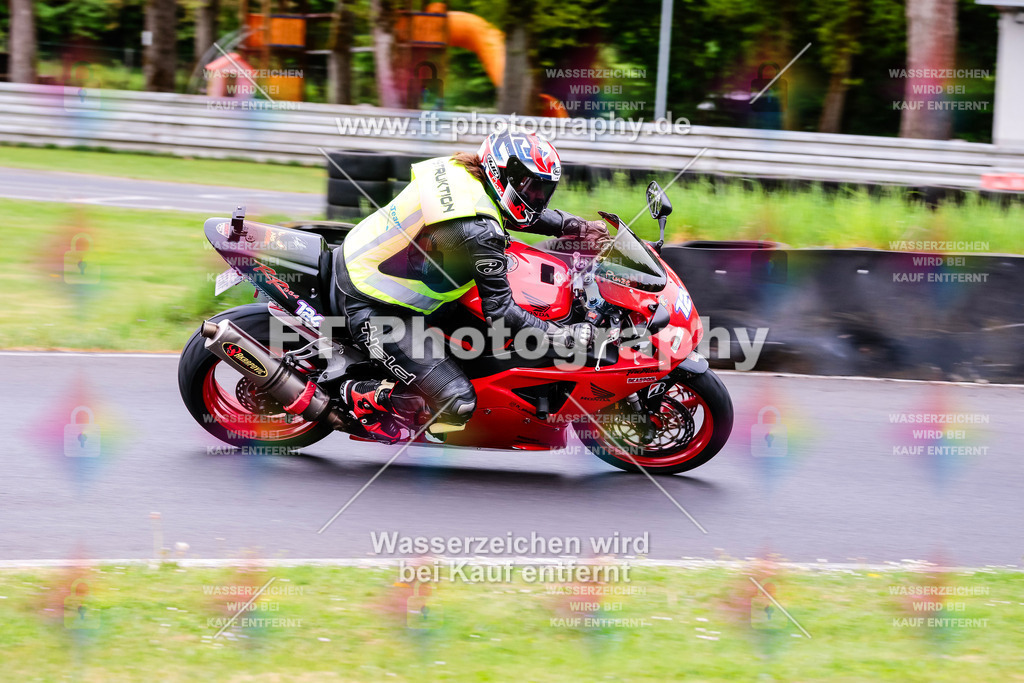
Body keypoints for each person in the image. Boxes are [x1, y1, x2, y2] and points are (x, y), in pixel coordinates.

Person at [331, 131, 610, 438]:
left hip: (374, 263)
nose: (537, 198)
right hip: (371, 301)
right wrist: (562, 336)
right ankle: (363, 396)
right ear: (502, 175)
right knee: (459, 400)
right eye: (531, 188)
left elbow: (521, 215)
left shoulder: (464, 172)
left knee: (481, 350)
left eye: (543, 189)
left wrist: (579, 227)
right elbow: (501, 312)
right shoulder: (478, 230)